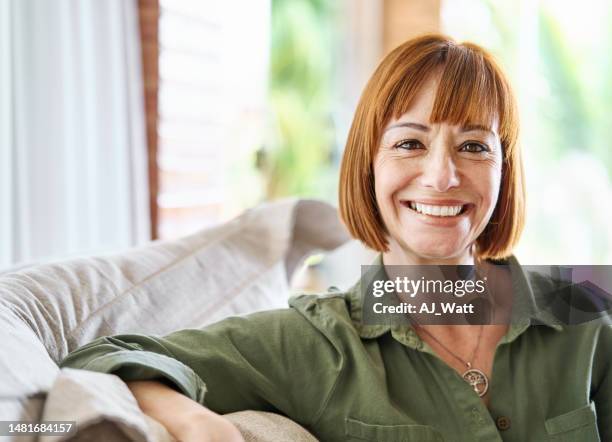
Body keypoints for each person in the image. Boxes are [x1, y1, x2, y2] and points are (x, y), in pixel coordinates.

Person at [60, 34, 610, 441]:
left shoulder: (583, 309)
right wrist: (196, 422)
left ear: (503, 172)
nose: (443, 176)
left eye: (474, 146)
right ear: (367, 167)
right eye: (409, 144)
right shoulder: (316, 345)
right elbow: (103, 356)